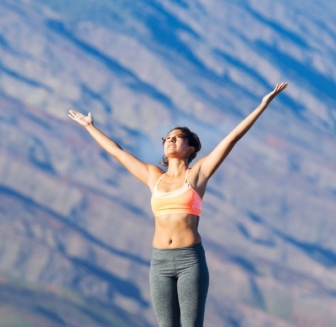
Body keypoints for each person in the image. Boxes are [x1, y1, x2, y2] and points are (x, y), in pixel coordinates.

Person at [67, 82, 288, 326]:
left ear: (190, 148)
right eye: (168, 138)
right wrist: (90, 128)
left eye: (177, 138)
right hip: (159, 262)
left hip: (189, 261)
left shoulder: (198, 174)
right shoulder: (154, 176)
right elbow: (118, 153)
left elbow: (233, 138)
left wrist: (262, 105)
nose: (170, 140)